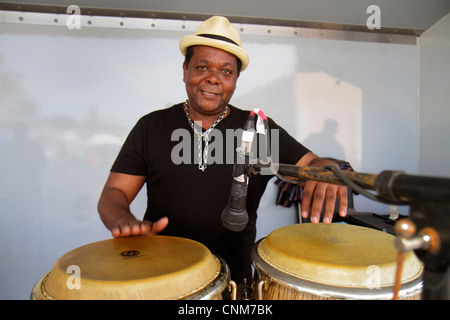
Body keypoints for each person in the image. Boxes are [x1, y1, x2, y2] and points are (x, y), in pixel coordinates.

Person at [98, 16, 348, 287]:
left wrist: (324, 169)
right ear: (185, 70)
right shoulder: (151, 126)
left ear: (236, 79)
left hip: (233, 284)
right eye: (202, 67)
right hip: (161, 279)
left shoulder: (259, 129)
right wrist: (123, 220)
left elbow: (311, 162)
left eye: (226, 72)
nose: (213, 79)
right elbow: (115, 193)